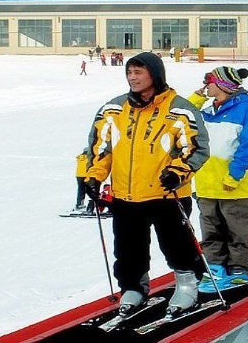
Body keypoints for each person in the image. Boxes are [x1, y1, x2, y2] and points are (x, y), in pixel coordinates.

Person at [83, 51, 210, 316]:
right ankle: (133, 287)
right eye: (129, 72)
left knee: (177, 245)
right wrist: (94, 176)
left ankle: (187, 284)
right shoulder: (113, 109)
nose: (132, 77)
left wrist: (178, 171)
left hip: (166, 194)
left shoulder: (179, 108)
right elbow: (101, 148)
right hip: (126, 196)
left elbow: (196, 149)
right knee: (128, 248)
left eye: (138, 72)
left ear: (155, 74)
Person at [187, 66, 248, 281]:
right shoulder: (207, 111)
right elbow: (179, 118)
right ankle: (216, 265)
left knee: (239, 230)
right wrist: (197, 98)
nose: (205, 85)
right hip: (207, 185)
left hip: (236, 186)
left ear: (222, 84)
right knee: (211, 230)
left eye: (209, 81)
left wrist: (235, 175)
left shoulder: (247, 110)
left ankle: (241, 266)